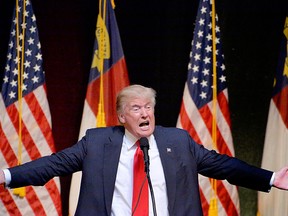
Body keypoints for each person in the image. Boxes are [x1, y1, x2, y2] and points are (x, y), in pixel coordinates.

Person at [1, 84, 288, 216]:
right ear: (122, 116)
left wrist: (271, 178)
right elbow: (52, 165)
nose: (144, 112)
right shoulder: (97, 142)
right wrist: (6, 175)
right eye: (136, 108)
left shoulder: (177, 141)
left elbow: (222, 165)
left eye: (148, 106)